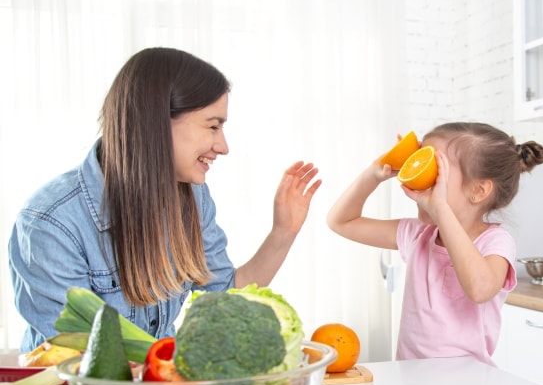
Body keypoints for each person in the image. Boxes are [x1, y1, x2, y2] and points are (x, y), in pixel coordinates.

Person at [9, 47, 321, 352]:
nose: (223, 146)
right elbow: (80, 359)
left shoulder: (191, 196)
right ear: (155, 122)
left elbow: (223, 301)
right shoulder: (51, 222)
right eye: (213, 126)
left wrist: (283, 231)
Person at [327, 122, 543, 365]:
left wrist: (440, 208)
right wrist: (374, 173)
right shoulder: (417, 235)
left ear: (479, 190)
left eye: (435, 173)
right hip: (412, 381)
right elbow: (341, 221)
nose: (420, 181)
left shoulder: (495, 241)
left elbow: (480, 290)